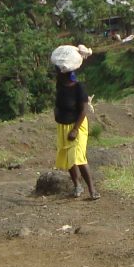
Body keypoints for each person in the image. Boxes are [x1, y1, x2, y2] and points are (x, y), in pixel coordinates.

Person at [53, 69, 98, 200]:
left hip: (77, 126)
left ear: (66, 74)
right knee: (69, 158)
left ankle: (92, 190)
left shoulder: (79, 88)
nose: (58, 74)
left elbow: (84, 111)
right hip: (63, 126)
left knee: (79, 157)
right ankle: (77, 186)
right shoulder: (60, 85)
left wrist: (75, 130)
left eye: (60, 72)